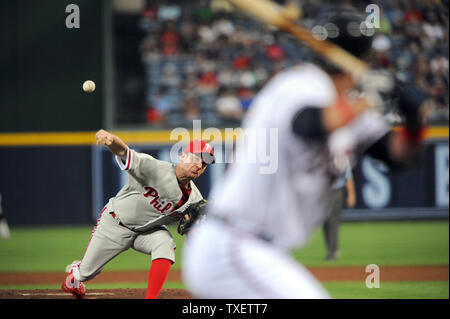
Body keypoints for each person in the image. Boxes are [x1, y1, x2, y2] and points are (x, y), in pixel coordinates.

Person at [181, 7, 428, 299]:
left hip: (264, 252)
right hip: (233, 244)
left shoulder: (352, 107)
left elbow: (399, 157)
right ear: (365, 58)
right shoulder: (299, 85)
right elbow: (309, 125)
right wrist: (373, 96)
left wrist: (414, 123)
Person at [61, 129, 215, 299]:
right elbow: (124, 152)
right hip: (115, 223)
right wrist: (111, 140)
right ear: (183, 156)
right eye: (195, 158)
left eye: (204, 163)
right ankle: (76, 276)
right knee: (85, 273)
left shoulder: (195, 199)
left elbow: (194, 236)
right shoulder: (154, 168)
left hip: (148, 232)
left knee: (165, 244)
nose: (199, 165)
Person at [322, 165, 355, 261]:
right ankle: (331, 250)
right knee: (325, 222)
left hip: (336, 190)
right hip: (323, 191)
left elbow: (348, 176)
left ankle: (333, 252)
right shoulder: (322, 155)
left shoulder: (341, 156)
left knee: (333, 222)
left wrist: (351, 194)